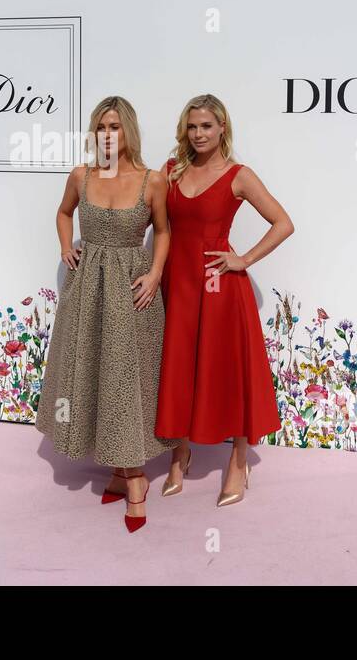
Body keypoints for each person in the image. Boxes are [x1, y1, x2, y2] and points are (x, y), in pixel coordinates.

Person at [35, 95, 178, 532]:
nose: (107, 134)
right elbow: (63, 214)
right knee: (92, 374)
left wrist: (155, 273)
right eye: (101, 126)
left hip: (132, 289)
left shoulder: (153, 180)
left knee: (125, 380)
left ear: (128, 131)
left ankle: (134, 479)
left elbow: (165, 230)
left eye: (114, 126)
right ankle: (120, 471)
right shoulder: (81, 175)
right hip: (88, 290)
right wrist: (66, 246)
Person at [156, 94, 295, 507]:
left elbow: (284, 223)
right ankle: (180, 450)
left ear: (222, 130)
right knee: (177, 366)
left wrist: (243, 259)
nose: (198, 134)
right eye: (192, 126)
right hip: (175, 284)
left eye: (206, 126)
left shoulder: (239, 175)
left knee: (225, 370)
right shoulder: (170, 171)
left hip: (217, 288)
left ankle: (238, 458)